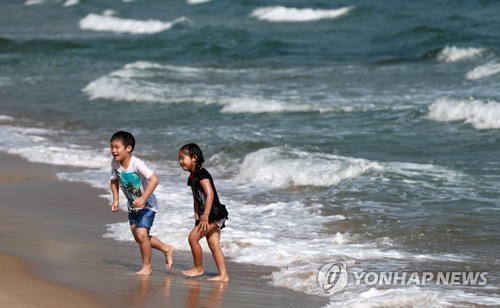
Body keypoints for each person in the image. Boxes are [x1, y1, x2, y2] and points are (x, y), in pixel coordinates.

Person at [110, 131, 174, 276]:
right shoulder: (115, 163)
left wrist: (144, 197)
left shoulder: (137, 163)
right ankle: (167, 248)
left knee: (141, 234)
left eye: (117, 147)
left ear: (129, 148)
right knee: (139, 238)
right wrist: (116, 199)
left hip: (148, 205)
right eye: (112, 147)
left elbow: (154, 179)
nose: (113, 150)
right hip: (132, 206)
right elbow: (114, 179)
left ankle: (147, 266)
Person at [178, 143, 229, 282]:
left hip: (214, 214)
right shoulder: (192, 177)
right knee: (213, 245)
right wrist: (197, 214)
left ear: (194, 158)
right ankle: (223, 275)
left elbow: (210, 194)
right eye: (179, 159)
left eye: (183, 158)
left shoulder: (202, 174)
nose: (180, 161)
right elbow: (196, 197)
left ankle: (198, 268)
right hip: (208, 215)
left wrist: (205, 216)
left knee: (192, 238)